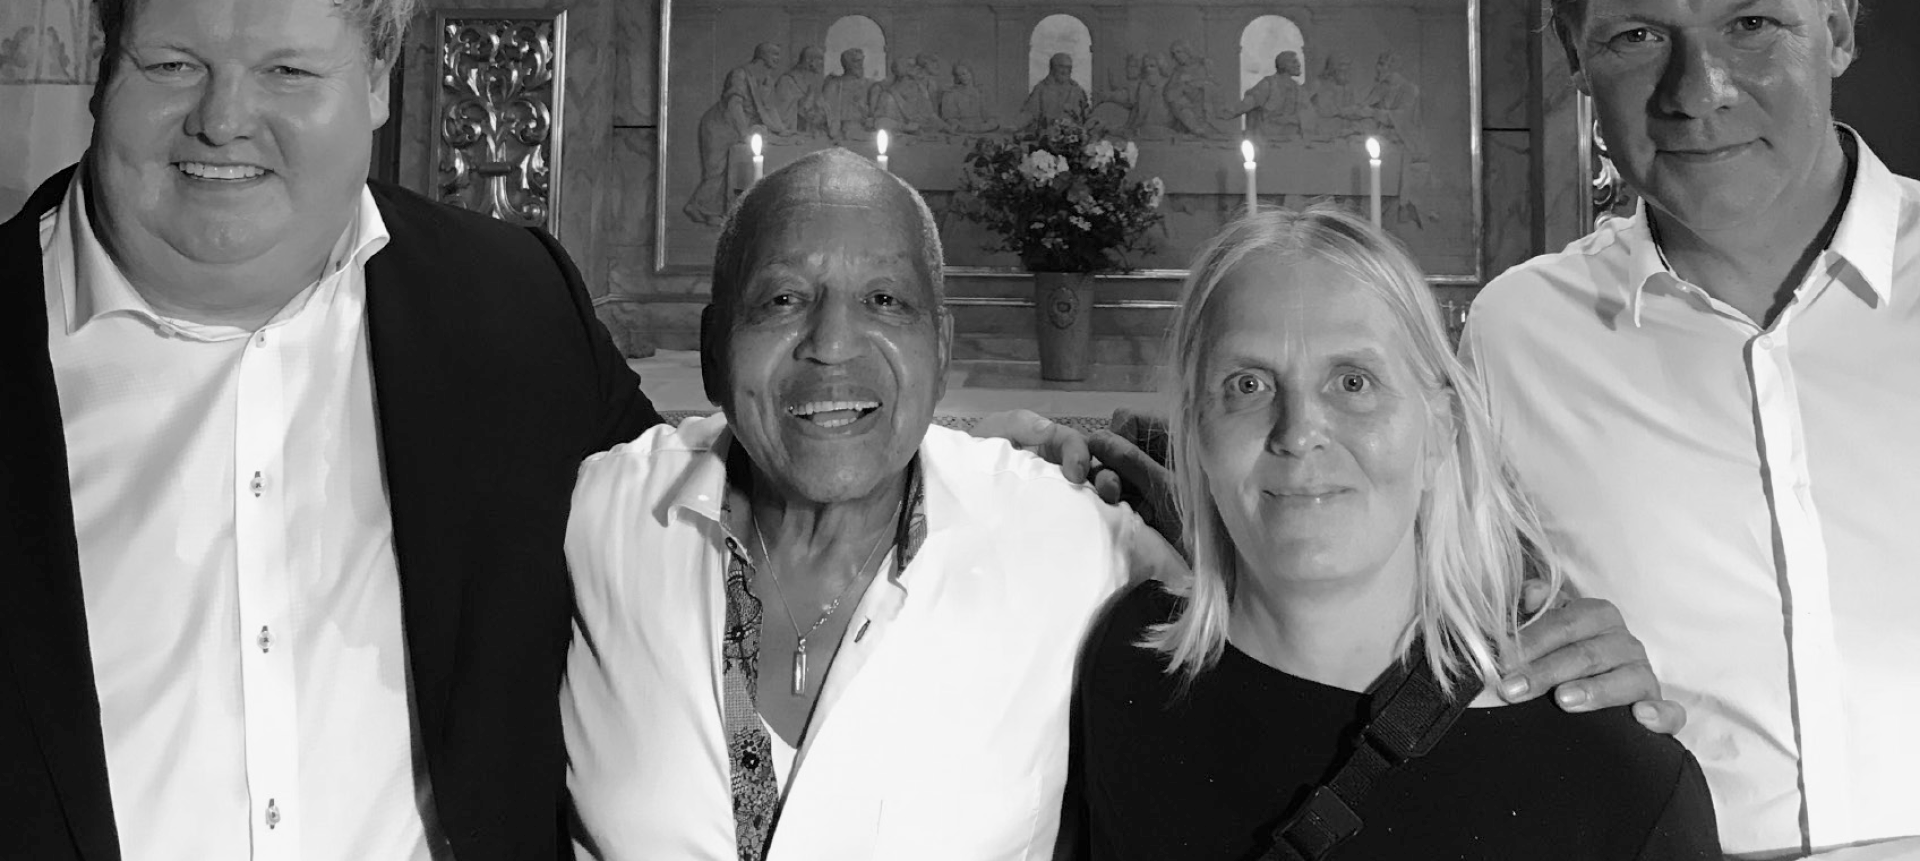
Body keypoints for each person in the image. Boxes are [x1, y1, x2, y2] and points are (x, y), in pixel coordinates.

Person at [562, 151, 1680, 861]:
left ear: (943, 346)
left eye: (886, 300)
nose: (831, 345)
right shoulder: (595, 516)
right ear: (711, 347)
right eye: (780, 300)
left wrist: (1529, 610)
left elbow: (1290, 551)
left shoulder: (1064, 548)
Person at [0, 0, 663, 857]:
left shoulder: (515, 308)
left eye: (288, 71)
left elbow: (711, 556)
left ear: (379, 80)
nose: (223, 118)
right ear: (104, 70)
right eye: (173, 63)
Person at [1464, 0, 1920, 857]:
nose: (1697, 91)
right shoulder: (1518, 340)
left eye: (1750, 24)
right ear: (1577, 58)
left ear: (1837, 23)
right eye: (1636, 38)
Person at [1074, 207, 1719, 859]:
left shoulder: (1613, 783)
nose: (1299, 433)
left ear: (1440, 428)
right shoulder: (1124, 675)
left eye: (1353, 382)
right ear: (1196, 429)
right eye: (1248, 385)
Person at [685, 41, 787, 225]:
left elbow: (769, 109)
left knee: (730, 168)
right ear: (762, 55)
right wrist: (744, 132)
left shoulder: (767, 80)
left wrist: (781, 130)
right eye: (774, 55)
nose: (777, 59)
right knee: (716, 170)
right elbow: (734, 104)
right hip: (720, 125)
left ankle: (708, 209)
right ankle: (700, 208)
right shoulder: (740, 74)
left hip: (741, 127)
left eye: (778, 55)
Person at [1221, 50, 1306, 142]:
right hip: (1269, 138)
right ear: (1283, 65)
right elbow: (1250, 102)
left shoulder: (1298, 88)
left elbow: (1307, 112)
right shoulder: (1269, 84)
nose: (1298, 65)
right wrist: (1228, 113)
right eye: (1294, 62)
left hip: (1292, 138)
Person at [1021, 51, 1092, 127]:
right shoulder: (1041, 89)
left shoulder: (1077, 90)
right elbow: (1029, 114)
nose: (1065, 71)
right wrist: (1015, 126)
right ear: (1052, 68)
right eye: (1061, 67)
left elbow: (1086, 115)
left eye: (1068, 67)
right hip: (1048, 133)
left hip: (1073, 132)